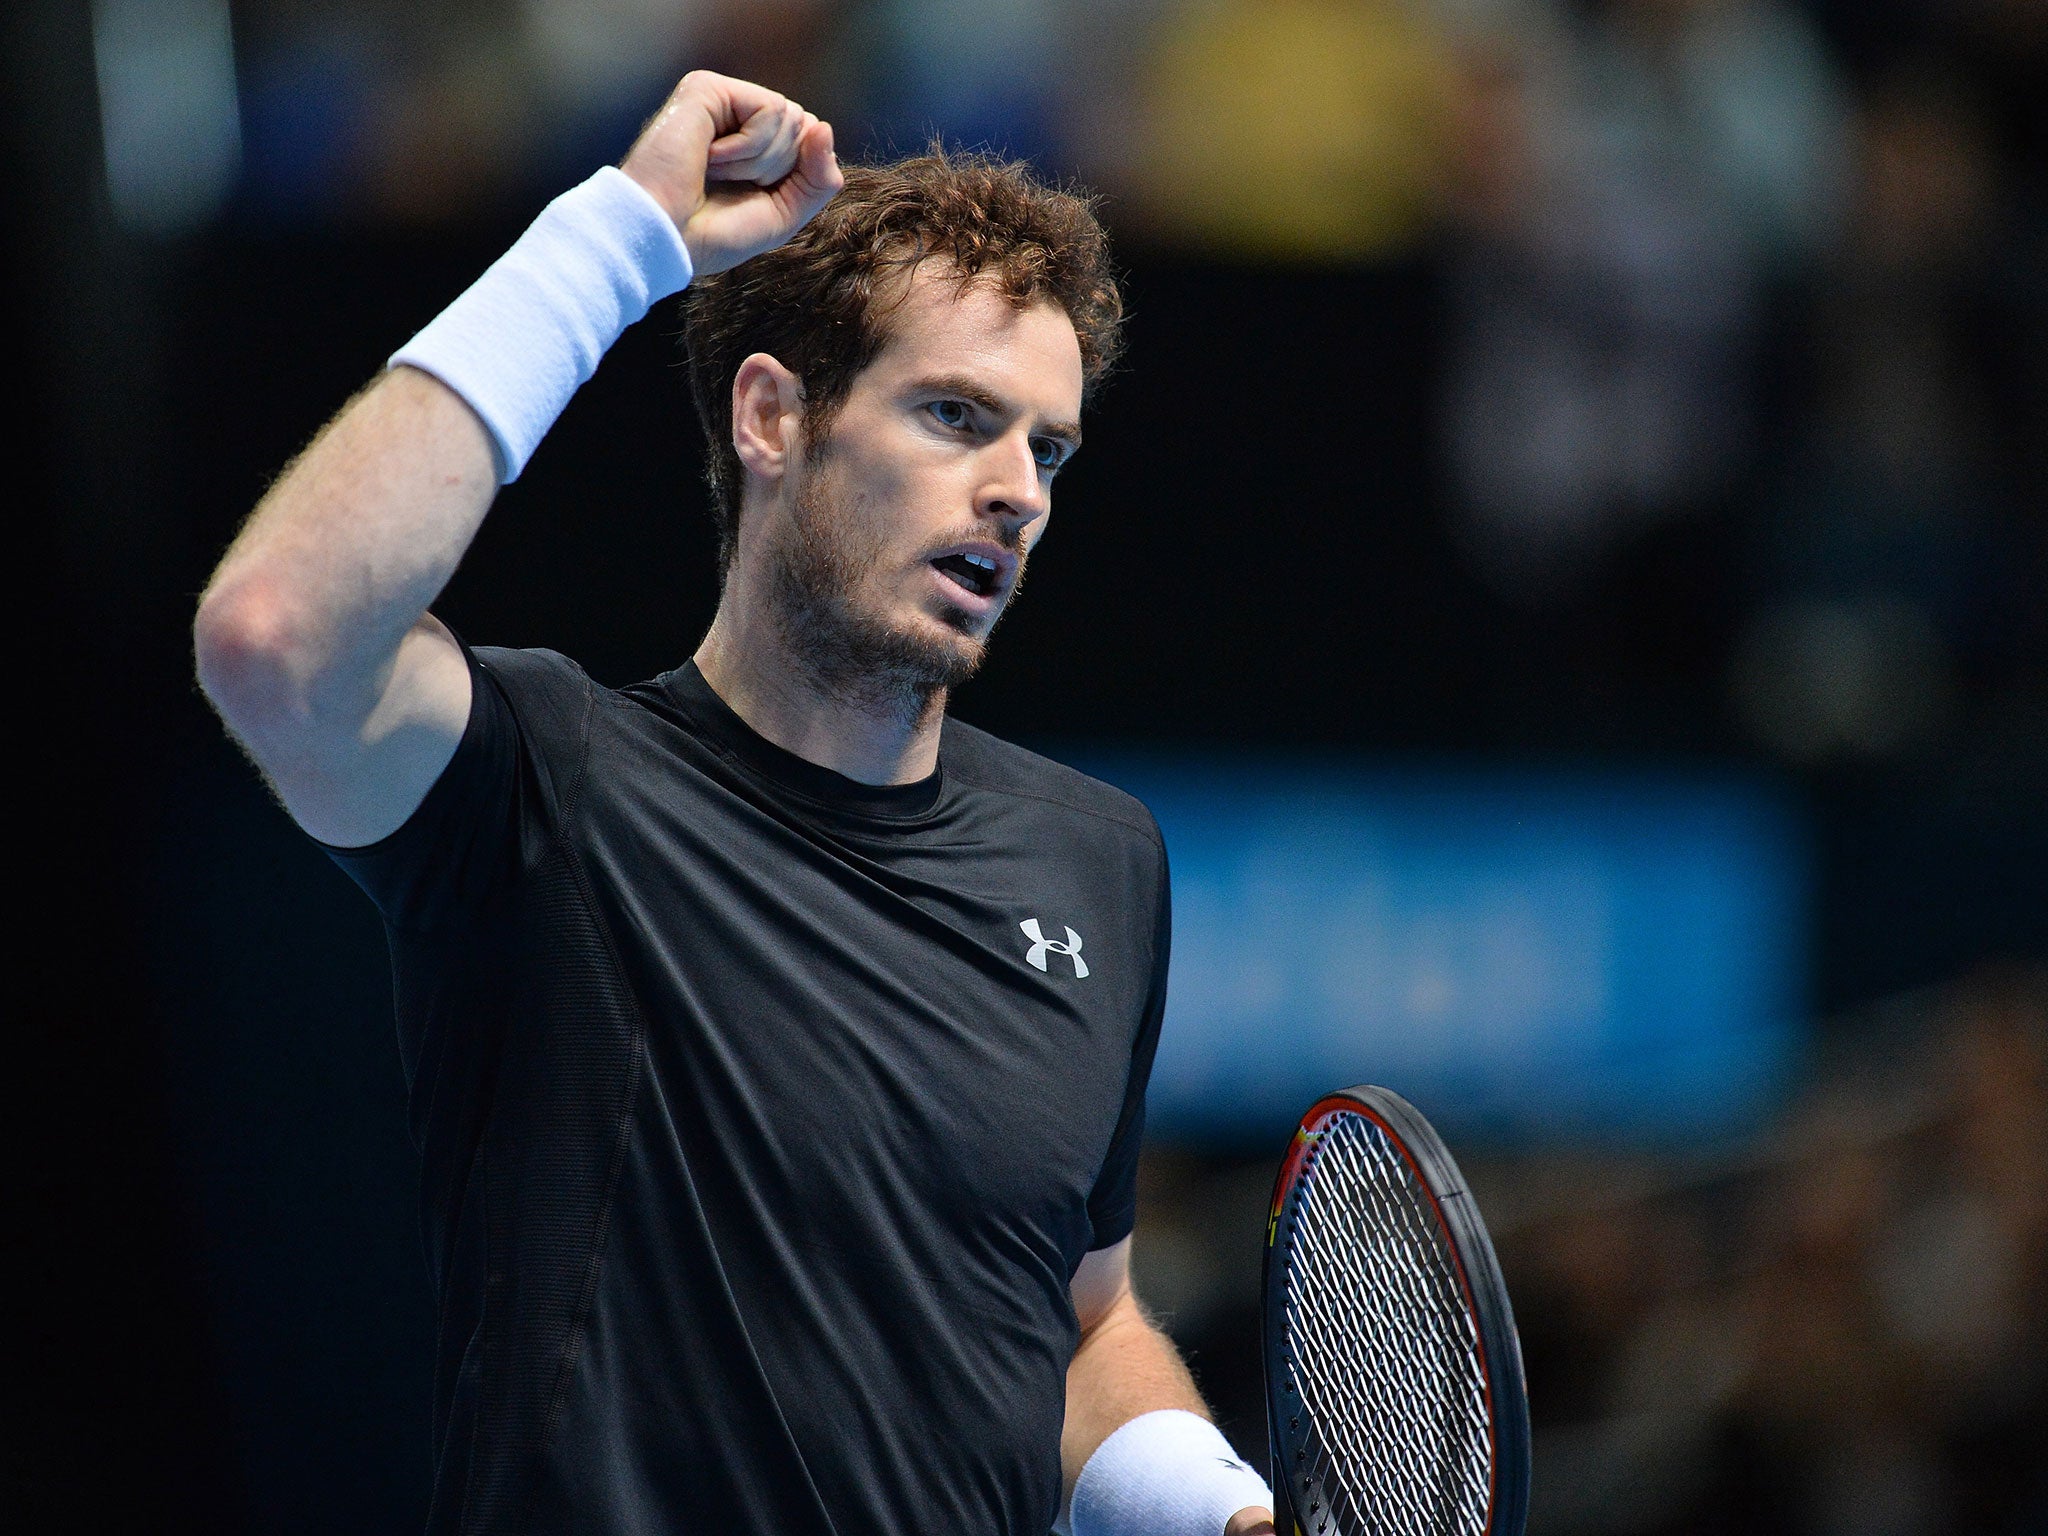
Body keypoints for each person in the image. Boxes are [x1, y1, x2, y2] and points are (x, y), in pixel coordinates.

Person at [192, 70, 1276, 1536]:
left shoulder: (1096, 861)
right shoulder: (549, 790)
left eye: (1049, 448)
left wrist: (1219, 1512)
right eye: (957, 416)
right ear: (772, 417)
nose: (1019, 489)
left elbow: (1080, 1323)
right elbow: (278, 631)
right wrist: (620, 237)